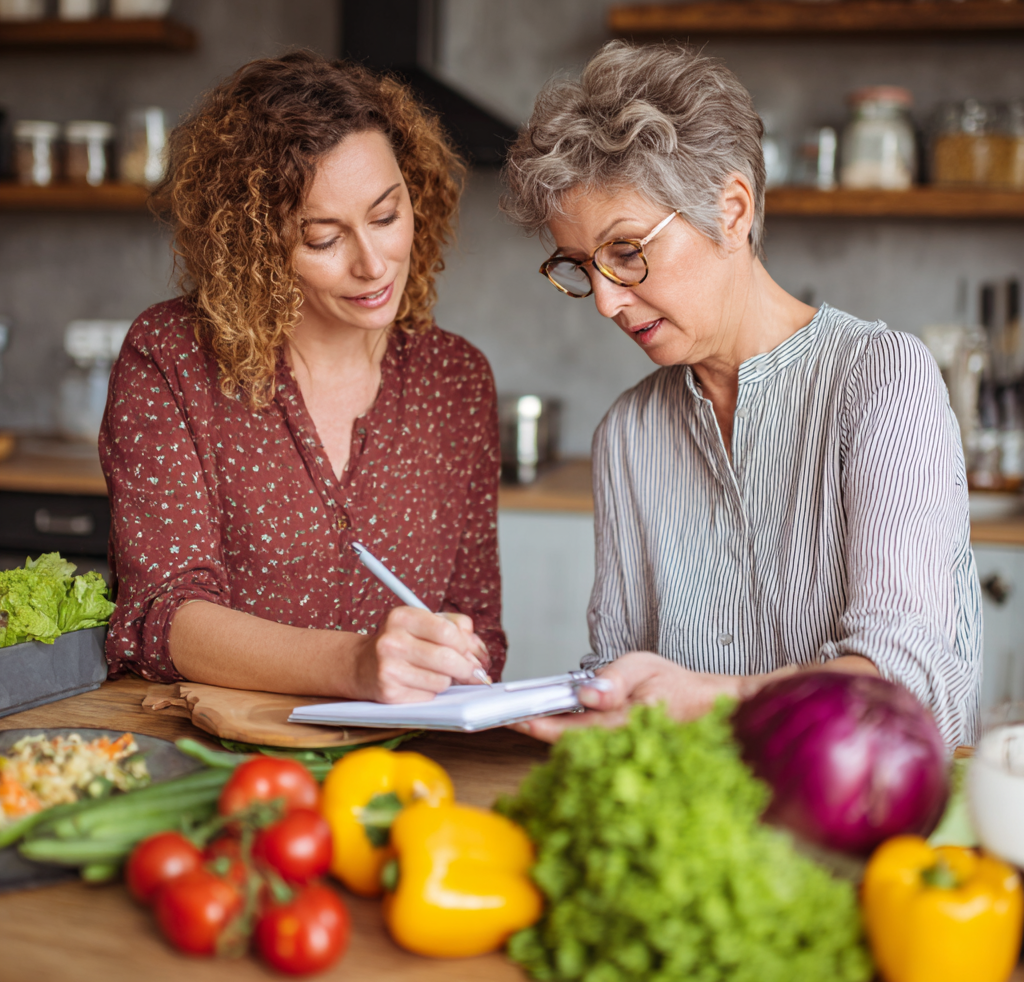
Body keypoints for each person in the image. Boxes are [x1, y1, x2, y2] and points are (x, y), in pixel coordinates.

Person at [501, 41, 980, 747]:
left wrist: (708, 702)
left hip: (873, 835)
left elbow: (907, 683)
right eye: (580, 267)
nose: (604, 300)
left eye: (626, 251)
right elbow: (621, 673)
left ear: (731, 208)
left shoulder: (882, 378)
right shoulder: (628, 434)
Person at [100, 51, 505, 701]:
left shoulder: (455, 379)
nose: (374, 265)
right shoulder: (171, 357)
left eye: (385, 214)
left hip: (401, 769)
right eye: (323, 238)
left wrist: (451, 657)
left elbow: (478, 624)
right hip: (226, 763)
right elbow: (162, 613)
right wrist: (354, 664)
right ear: (256, 242)